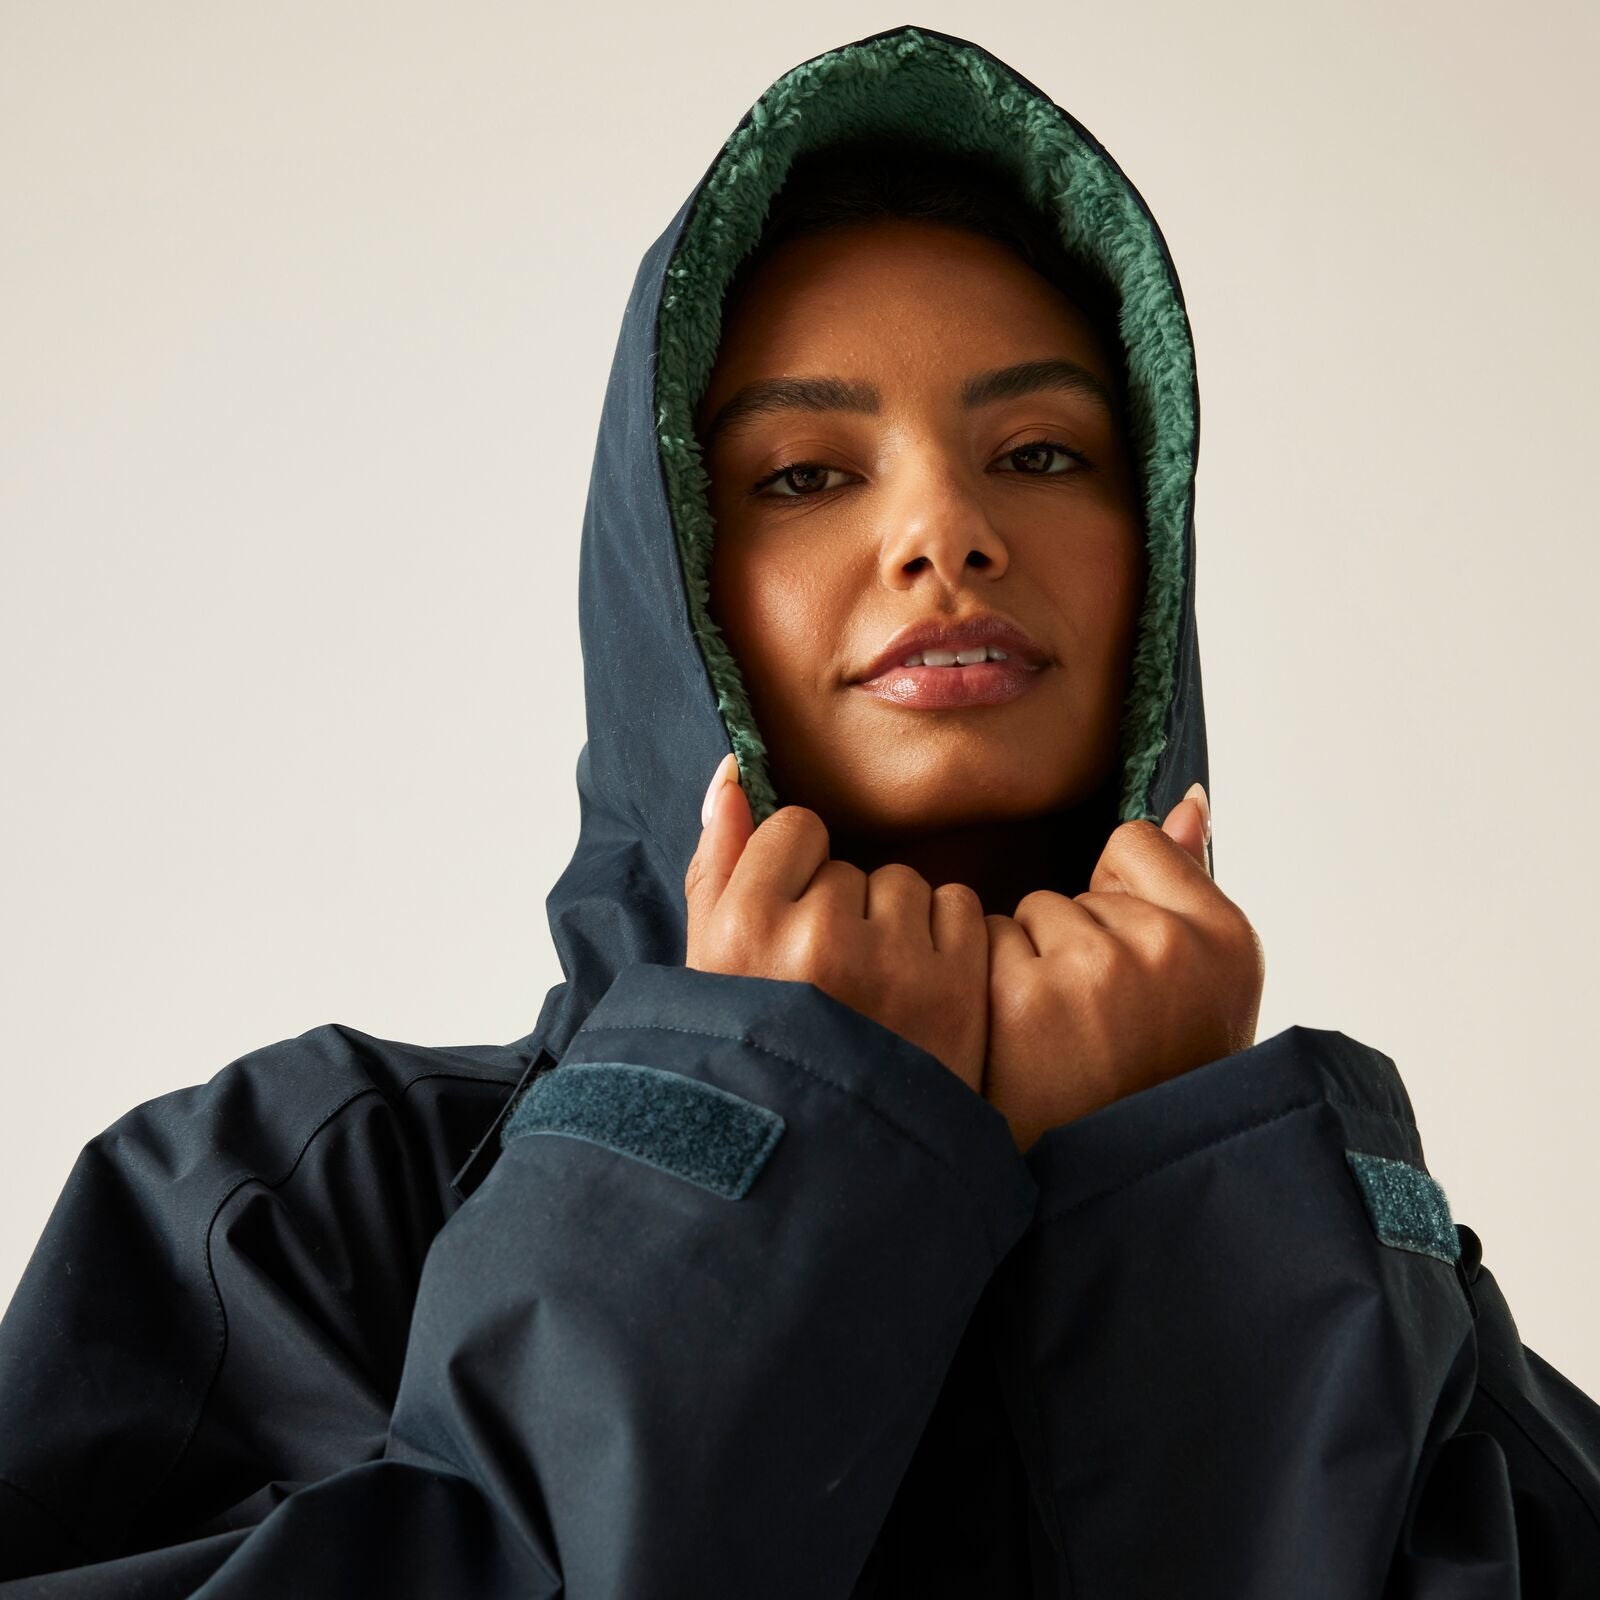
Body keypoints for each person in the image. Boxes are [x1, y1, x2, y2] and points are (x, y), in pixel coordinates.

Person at [0, 21, 1595, 1598]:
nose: (946, 532)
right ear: (673, 576)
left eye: (1043, 452)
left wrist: (1192, 1214)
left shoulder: (1382, 1283)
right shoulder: (291, 1205)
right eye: (805, 475)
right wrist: (752, 1142)